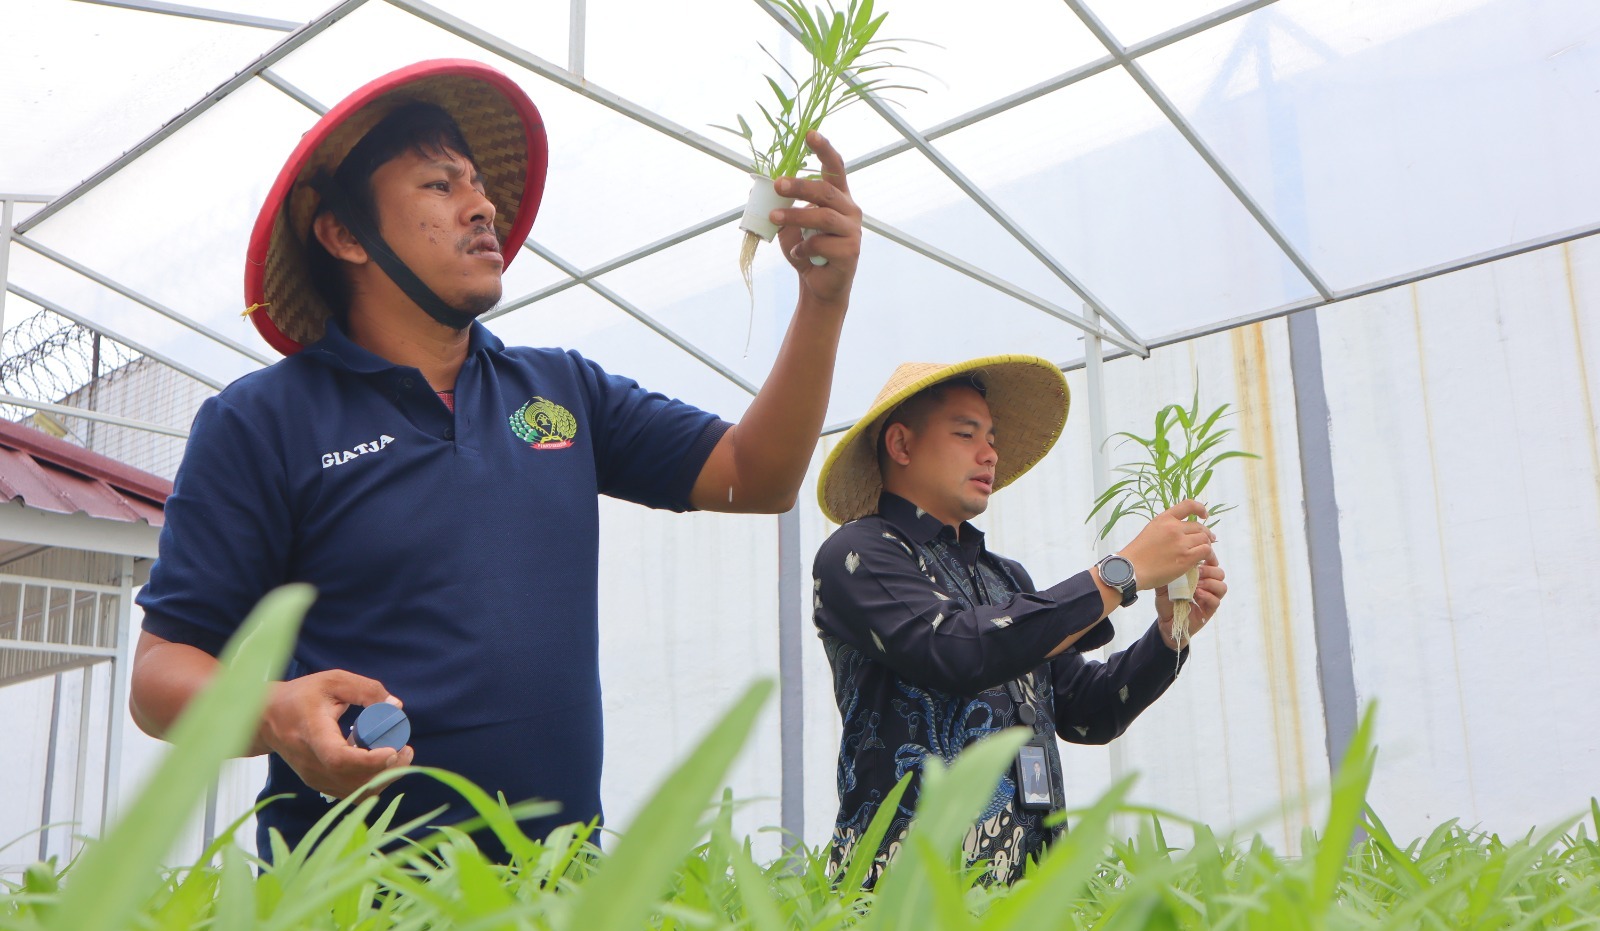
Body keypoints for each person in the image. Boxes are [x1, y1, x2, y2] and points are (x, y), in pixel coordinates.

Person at [129, 59, 863, 861]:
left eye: (478, 185)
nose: (482, 206)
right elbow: (160, 678)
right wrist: (274, 712)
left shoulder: (562, 391)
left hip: (555, 892)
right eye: (439, 186)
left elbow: (757, 476)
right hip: (346, 903)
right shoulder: (262, 421)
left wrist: (822, 301)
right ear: (344, 235)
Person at [811, 357, 1228, 885]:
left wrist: (1169, 636)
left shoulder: (1005, 578)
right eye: (966, 434)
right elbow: (957, 650)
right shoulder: (858, 553)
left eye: (992, 438)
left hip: (1033, 897)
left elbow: (1089, 712)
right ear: (902, 445)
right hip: (906, 896)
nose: (990, 453)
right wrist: (1120, 573)